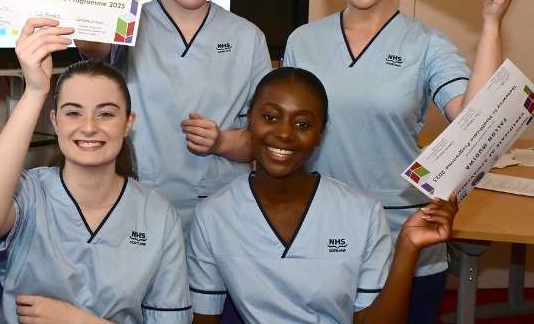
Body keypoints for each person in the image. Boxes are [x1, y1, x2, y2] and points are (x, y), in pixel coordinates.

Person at [282, 0, 517, 322]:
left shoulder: (426, 44)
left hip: (404, 239)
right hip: (318, 234)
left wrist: (491, 22)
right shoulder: (304, 42)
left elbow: (472, 122)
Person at [187, 67, 459, 323]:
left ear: (320, 133)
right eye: (270, 117)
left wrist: (408, 247)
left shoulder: (361, 212)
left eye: (303, 123)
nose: (284, 133)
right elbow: (205, 318)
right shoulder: (214, 215)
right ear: (249, 121)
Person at [0, 17, 191, 324]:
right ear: (55, 121)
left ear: (128, 123)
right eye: (73, 113)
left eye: (105, 113)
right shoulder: (30, 194)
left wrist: (76, 320)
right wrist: (35, 90)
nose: (89, 127)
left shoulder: (158, 216)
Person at [75, 0, 271, 227]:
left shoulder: (247, 38)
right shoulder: (128, 25)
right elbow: (88, 42)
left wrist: (222, 141)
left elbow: (264, 139)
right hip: (137, 206)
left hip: (221, 211)